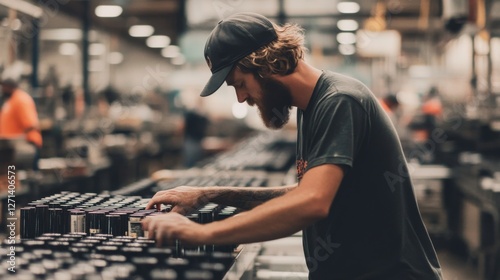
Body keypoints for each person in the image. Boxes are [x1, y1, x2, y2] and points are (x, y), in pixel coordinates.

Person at [143, 13, 442, 280]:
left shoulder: (340, 101)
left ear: (267, 64)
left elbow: (312, 202)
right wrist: (208, 195)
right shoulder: (310, 108)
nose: (241, 98)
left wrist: (202, 234)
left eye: (239, 83)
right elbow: (305, 192)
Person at [0, 78, 43, 170]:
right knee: (8, 172)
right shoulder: (11, 100)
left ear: (8, 87)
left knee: (12, 172)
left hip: (24, 144)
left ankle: (14, 183)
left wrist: (18, 138)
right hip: (10, 147)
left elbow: (31, 125)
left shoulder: (21, 99)